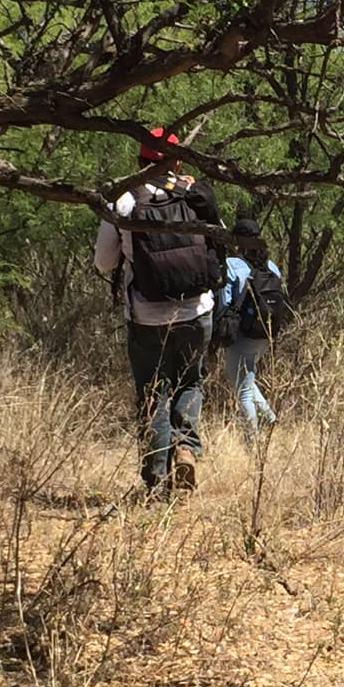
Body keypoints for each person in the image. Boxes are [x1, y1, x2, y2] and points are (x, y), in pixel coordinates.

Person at [94, 128, 221, 499]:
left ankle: (156, 480)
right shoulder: (193, 193)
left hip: (146, 315)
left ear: (140, 160)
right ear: (177, 162)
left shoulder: (124, 200)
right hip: (197, 310)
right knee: (190, 382)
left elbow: (104, 263)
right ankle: (186, 448)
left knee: (153, 394)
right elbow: (219, 240)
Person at [217, 218, 282, 440]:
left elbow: (225, 302)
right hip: (265, 334)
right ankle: (268, 417)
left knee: (242, 390)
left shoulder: (232, 265)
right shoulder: (271, 266)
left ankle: (251, 440)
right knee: (247, 380)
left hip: (242, 336)